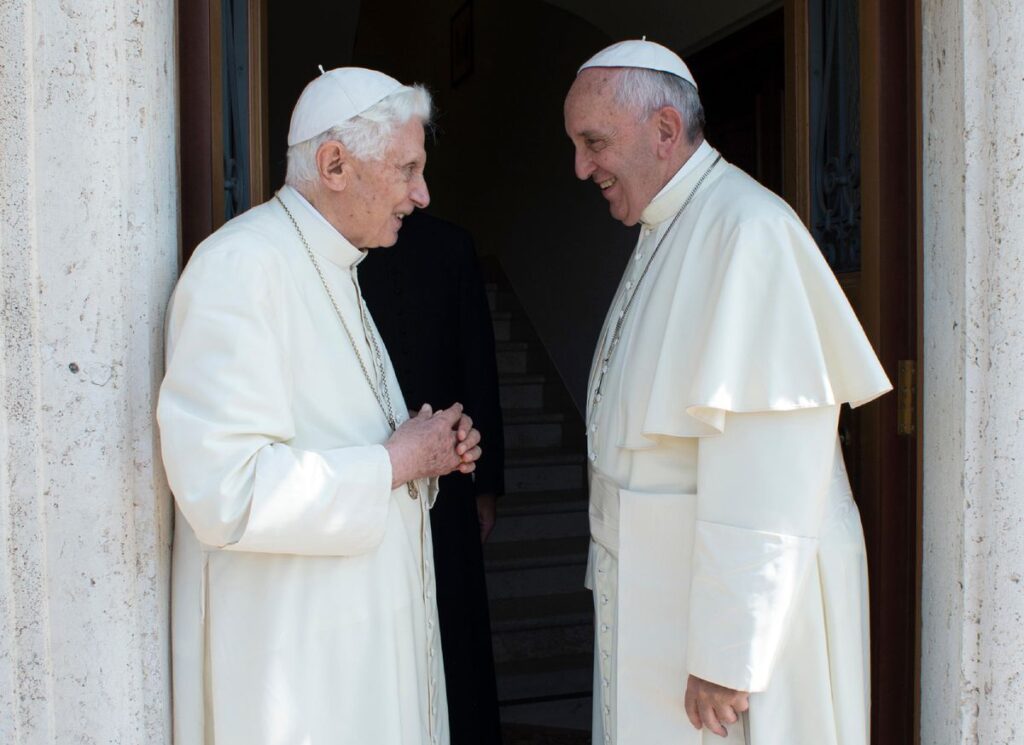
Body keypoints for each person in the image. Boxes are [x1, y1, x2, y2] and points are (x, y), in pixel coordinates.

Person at [562, 40, 892, 744]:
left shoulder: (749, 230)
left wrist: (727, 651)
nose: (582, 168)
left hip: (735, 632)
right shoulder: (672, 225)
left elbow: (769, 464)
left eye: (593, 144)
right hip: (663, 592)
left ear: (663, 130)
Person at [157, 67, 482, 745]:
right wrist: (394, 461)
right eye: (407, 169)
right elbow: (227, 490)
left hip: (351, 656)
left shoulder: (333, 265)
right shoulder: (242, 267)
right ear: (335, 163)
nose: (422, 196)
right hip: (298, 675)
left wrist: (424, 449)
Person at [360, 211, 505, 745]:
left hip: (449, 473)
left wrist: (484, 481)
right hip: (365, 480)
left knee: (455, 627)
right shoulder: (331, 252)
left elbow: (476, 363)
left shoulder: (452, 244)